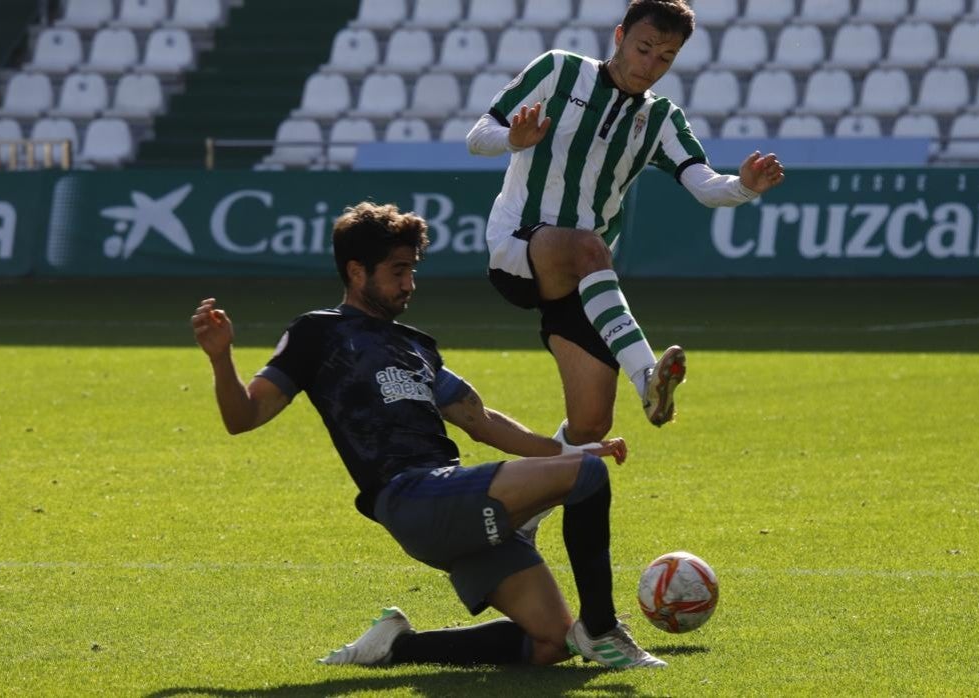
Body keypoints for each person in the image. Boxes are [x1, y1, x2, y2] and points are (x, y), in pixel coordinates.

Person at [191, 201, 666, 669]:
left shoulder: (416, 345)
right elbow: (244, 416)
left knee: (550, 644)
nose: (409, 284)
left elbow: (482, 420)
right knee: (585, 478)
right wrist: (220, 358)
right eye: (398, 271)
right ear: (357, 272)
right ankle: (603, 631)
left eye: (412, 270)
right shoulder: (318, 333)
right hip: (413, 496)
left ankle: (398, 646)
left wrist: (569, 449)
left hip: (451, 500)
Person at [468, 0, 786, 447]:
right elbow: (477, 137)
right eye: (644, 48)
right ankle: (647, 378)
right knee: (589, 246)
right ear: (620, 37)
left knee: (591, 426)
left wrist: (745, 186)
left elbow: (703, 184)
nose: (651, 64)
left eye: (666, 57)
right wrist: (511, 138)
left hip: (582, 281)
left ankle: (523, 516)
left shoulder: (660, 119)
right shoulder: (559, 71)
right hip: (517, 249)